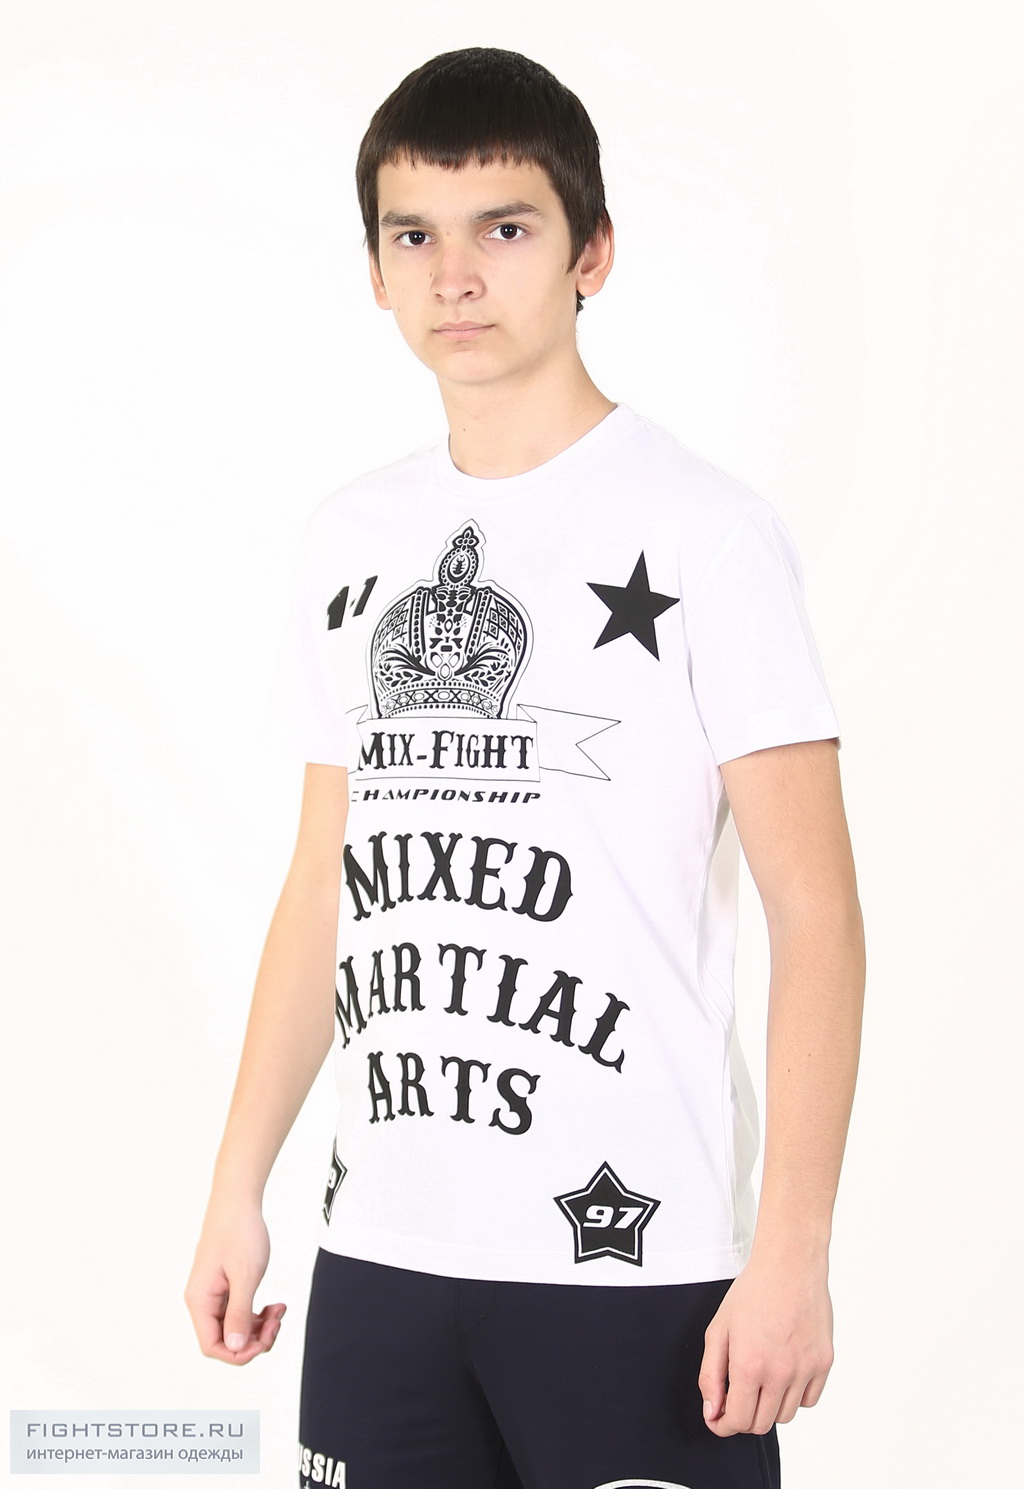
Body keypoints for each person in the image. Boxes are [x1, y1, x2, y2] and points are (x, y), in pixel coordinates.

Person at [184, 46, 865, 1489]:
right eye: (413, 236)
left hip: (636, 1257)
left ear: (589, 252)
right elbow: (323, 889)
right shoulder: (349, 539)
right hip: (382, 1250)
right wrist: (238, 1184)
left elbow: (816, 911)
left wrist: (794, 1249)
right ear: (376, 273)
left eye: (504, 227)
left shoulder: (706, 533)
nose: (456, 276)